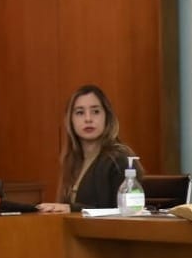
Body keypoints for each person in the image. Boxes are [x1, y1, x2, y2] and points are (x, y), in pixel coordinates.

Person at [37, 84, 139, 213]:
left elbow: (123, 213)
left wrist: (72, 208)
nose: (88, 119)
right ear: (70, 120)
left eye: (95, 111)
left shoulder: (119, 160)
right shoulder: (72, 160)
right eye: (80, 113)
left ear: (107, 117)